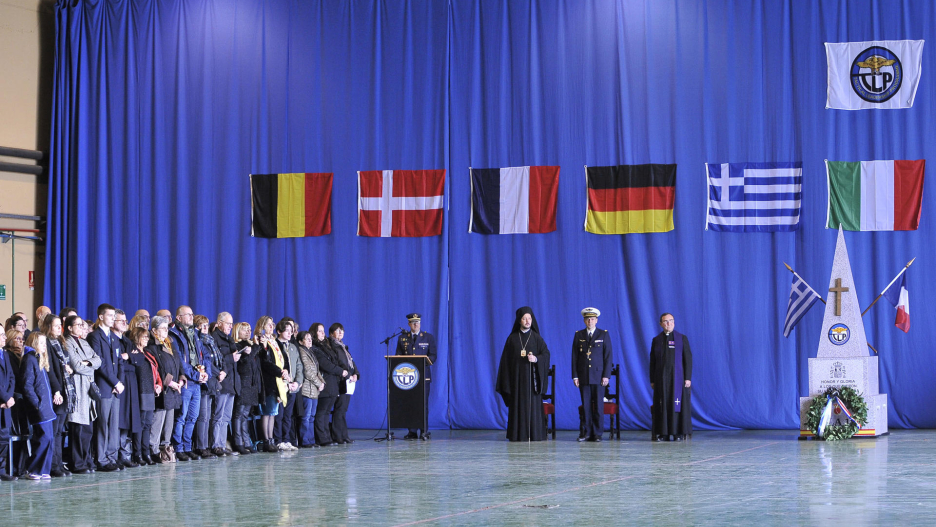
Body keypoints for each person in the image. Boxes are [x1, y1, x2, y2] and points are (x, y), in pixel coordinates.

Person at [495, 307, 551, 442]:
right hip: (516, 382)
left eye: (529, 318)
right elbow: (505, 362)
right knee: (517, 407)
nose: (527, 321)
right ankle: (517, 434)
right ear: (519, 320)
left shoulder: (537, 338)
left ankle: (535, 434)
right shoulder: (512, 339)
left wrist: (536, 359)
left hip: (533, 382)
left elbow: (546, 355)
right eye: (524, 318)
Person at [85, 303, 125, 472]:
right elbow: (100, 363)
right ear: (101, 317)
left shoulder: (115, 338)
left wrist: (120, 382)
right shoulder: (95, 336)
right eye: (110, 315)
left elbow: (120, 362)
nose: (113, 318)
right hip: (104, 386)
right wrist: (115, 382)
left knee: (114, 423)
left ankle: (112, 456)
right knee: (102, 423)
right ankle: (101, 458)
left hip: (115, 387)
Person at [168, 306, 207, 461]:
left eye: (192, 314)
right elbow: (180, 360)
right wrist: (195, 374)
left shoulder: (196, 334)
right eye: (188, 315)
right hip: (186, 381)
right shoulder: (174, 335)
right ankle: (178, 448)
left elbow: (204, 356)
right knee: (181, 416)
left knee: (193, 416)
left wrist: (205, 373)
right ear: (178, 318)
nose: (192, 317)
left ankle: (187, 446)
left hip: (197, 382)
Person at [64, 316, 100, 474]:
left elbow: (98, 360)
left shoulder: (84, 342)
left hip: (88, 389)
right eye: (78, 325)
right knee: (78, 429)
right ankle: (78, 463)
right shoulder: (66, 342)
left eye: (82, 325)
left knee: (88, 429)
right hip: (77, 388)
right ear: (70, 328)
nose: (81, 327)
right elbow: (76, 365)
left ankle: (86, 460)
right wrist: (88, 363)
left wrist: (87, 363)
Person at [649, 313, 693, 442]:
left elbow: (688, 359)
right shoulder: (656, 340)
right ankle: (663, 433)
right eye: (665, 321)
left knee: (677, 405)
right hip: (660, 380)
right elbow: (652, 362)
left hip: (678, 380)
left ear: (674, 322)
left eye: (671, 321)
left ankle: (678, 432)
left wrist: (688, 378)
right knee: (662, 406)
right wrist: (652, 379)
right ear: (661, 324)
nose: (668, 324)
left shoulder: (681, 338)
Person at [41, 315, 75, 476]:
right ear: (48, 326)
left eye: (59, 325)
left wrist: (68, 369)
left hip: (65, 389)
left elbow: (64, 364)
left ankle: (59, 463)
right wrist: (56, 391)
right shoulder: (46, 343)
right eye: (55, 326)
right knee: (55, 431)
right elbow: (51, 370)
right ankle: (53, 465)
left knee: (60, 431)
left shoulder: (60, 342)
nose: (58, 328)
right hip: (57, 391)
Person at [19, 333, 57, 479]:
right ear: (33, 343)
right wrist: (37, 404)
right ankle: (34, 469)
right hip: (39, 407)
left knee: (49, 438)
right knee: (43, 438)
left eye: (44, 343)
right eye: (41, 342)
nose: (43, 345)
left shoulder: (39, 359)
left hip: (45, 406)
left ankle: (44, 469)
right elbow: (27, 385)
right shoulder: (30, 359)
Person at [572, 307, 612, 442]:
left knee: (598, 407)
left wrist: (606, 375)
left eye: (593, 319)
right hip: (584, 376)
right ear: (584, 320)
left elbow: (608, 357)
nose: (590, 321)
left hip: (599, 377)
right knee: (586, 406)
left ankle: (597, 433)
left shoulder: (603, 335)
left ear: (597, 320)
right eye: (588, 319)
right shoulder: (579, 335)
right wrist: (575, 376)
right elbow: (574, 357)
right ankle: (587, 432)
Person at [395, 313, 437, 440]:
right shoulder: (402, 338)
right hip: (408, 378)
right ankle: (412, 431)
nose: (415, 324)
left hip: (423, 376)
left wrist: (421, 362)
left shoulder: (428, 337)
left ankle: (424, 431)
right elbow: (398, 356)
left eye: (417, 322)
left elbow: (433, 356)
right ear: (409, 324)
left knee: (423, 404)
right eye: (413, 322)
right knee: (410, 404)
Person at [147, 316, 183, 463]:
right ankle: (153, 449)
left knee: (169, 421)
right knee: (158, 421)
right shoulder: (152, 345)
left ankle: (167, 449)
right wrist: (170, 382)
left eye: (167, 328)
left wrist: (181, 378)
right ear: (154, 330)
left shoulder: (170, 343)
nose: (166, 331)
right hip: (164, 389)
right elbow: (158, 368)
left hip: (174, 388)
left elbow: (178, 362)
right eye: (162, 328)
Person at [256, 316, 288, 452]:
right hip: (268, 380)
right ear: (262, 326)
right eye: (268, 324)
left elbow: (282, 359)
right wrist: (279, 371)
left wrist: (285, 370)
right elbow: (265, 362)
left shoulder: (274, 341)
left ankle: (271, 440)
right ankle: (266, 440)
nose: (271, 326)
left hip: (278, 380)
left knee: (273, 412)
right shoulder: (261, 340)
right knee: (267, 411)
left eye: (272, 324)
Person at [126, 327, 159, 465]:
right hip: (139, 391)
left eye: (147, 337)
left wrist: (157, 384)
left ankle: (146, 453)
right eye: (144, 337)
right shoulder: (133, 352)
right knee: (139, 424)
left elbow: (155, 370)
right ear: (137, 337)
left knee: (147, 424)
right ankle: (137, 454)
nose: (146, 339)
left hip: (149, 391)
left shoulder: (148, 353)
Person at [114, 309, 142, 468]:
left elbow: (140, 357)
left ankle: (125, 455)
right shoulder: (112, 339)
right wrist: (127, 358)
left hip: (131, 382)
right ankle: (116, 455)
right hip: (120, 381)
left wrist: (129, 356)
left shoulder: (127, 341)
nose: (125, 323)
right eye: (121, 320)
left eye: (125, 320)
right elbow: (117, 361)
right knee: (119, 420)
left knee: (128, 421)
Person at [310, 323, 345, 446]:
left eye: (323, 331)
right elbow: (326, 365)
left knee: (326, 412)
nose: (322, 333)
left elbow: (334, 360)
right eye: (320, 331)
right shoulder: (314, 348)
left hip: (333, 384)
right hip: (325, 383)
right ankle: (322, 438)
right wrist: (341, 371)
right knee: (321, 412)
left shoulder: (326, 346)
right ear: (314, 333)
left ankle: (327, 437)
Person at [209, 312, 240, 457]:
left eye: (231, 324)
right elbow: (216, 360)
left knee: (226, 416)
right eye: (228, 323)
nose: (230, 326)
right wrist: (231, 358)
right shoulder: (214, 338)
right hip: (222, 382)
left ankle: (222, 443)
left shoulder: (229, 339)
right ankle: (216, 445)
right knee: (218, 415)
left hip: (231, 382)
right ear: (219, 323)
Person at [193, 314, 223, 459]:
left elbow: (218, 359)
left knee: (209, 415)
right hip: (206, 380)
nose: (205, 328)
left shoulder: (210, 341)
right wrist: (218, 373)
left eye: (206, 325)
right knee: (203, 416)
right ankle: (201, 446)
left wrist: (221, 371)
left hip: (213, 381)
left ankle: (208, 445)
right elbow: (206, 362)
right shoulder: (199, 341)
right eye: (202, 326)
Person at [231, 321, 258, 454]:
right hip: (242, 383)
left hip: (251, 384)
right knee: (238, 414)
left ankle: (246, 441)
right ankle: (238, 441)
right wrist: (251, 352)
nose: (248, 332)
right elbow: (242, 364)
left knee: (245, 414)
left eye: (249, 330)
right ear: (237, 331)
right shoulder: (236, 346)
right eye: (244, 330)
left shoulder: (250, 346)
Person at [273, 319, 300, 451]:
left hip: (292, 386)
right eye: (287, 331)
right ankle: (278, 440)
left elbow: (299, 367)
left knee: (288, 416)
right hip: (280, 385)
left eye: (291, 331)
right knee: (279, 415)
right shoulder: (275, 345)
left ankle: (286, 439)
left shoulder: (293, 347)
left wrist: (297, 382)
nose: (290, 333)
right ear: (279, 331)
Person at [329, 323, 358, 445]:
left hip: (350, 380)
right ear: (331, 333)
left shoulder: (343, 346)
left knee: (343, 409)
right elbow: (338, 363)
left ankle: (344, 435)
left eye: (342, 330)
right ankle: (337, 436)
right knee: (339, 409)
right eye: (337, 330)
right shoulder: (331, 346)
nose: (341, 332)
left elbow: (351, 362)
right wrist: (346, 374)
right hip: (341, 380)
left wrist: (356, 373)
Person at [297, 330, 325, 448]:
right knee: (306, 417)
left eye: (310, 338)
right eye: (307, 339)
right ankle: (305, 441)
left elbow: (316, 370)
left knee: (312, 417)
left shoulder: (311, 352)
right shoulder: (302, 351)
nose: (310, 340)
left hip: (314, 389)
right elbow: (308, 371)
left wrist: (322, 382)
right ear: (300, 341)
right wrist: (319, 383)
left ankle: (311, 440)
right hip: (307, 389)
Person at [0, 330, 17, 481]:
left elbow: (11, 376)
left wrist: (10, 397)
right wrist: (5, 397)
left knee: (4, 437)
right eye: (1, 335)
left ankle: (1, 470)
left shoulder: (4, 354)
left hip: (6, 404)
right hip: (1, 401)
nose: (4, 337)